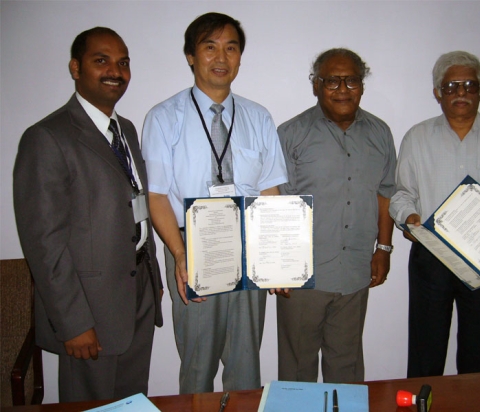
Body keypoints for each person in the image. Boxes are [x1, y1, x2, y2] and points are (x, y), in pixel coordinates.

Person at [13, 27, 163, 402]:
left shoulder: (125, 129)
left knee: (132, 400)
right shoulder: (47, 137)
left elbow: (135, 204)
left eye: (123, 62)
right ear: (75, 67)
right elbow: (43, 242)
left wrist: (152, 276)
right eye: (102, 60)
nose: (116, 70)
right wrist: (73, 322)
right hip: (89, 306)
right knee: (90, 403)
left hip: (138, 289)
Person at [141, 12, 287, 394]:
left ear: (240, 57)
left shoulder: (258, 117)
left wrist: (277, 259)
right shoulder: (163, 118)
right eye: (210, 47)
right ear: (191, 55)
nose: (221, 57)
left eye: (231, 48)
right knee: (197, 366)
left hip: (249, 249)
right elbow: (156, 196)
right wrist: (179, 254)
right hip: (192, 247)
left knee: (245, 366)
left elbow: (270, 190)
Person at [389, 50, 480, 377]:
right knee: (426, 354)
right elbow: (401, 194)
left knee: (479, 355)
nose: (461, 92)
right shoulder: (418, 137)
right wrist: (410, 219)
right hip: (430, 257)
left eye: (469, 84)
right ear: (438, 92)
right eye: (451, 86)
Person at [277, 48, 397, 383]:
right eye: (332, 80)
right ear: (316, 85)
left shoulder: (380, 134)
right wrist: (279, 268)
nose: (342, 88)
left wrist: (383, 249)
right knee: (297, 369)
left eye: (352, 80)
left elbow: (386, 193)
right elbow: (276, 202)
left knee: (346, 368)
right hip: (302, 279)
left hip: (356, 272)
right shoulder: (291, 134)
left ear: (362, 85)